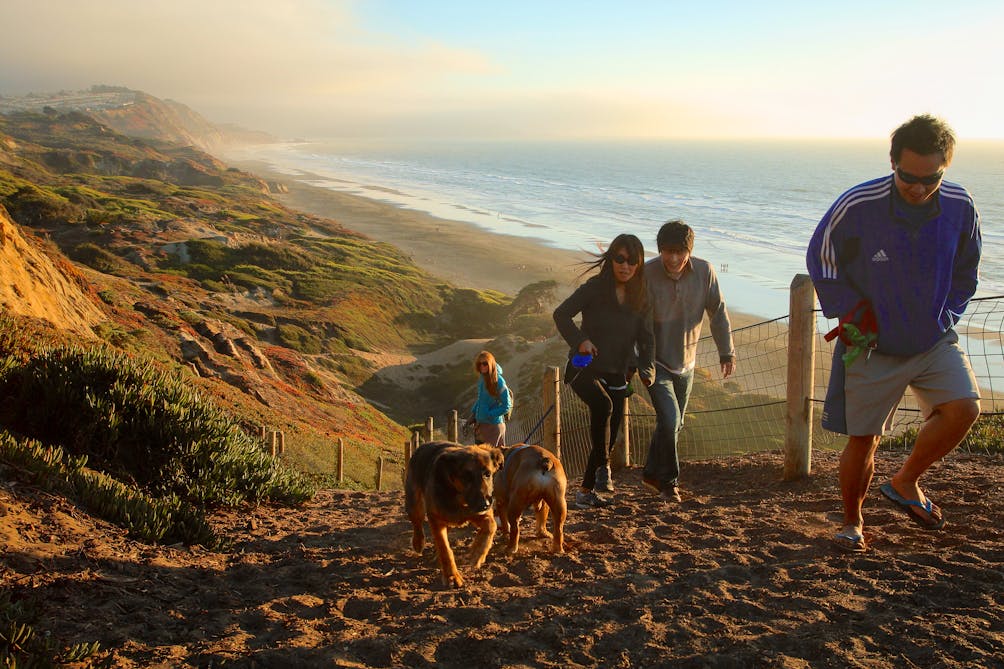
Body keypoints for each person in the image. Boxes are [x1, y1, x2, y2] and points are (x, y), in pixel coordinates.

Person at [807, 114, 982, 553]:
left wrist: (949, 313)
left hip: (932, 338)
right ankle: (852, 523)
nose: (919, 188)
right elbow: (821, 257)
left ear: (945, 168)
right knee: (864, 439)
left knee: (964, 409)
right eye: (909, 177)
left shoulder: (961, 205)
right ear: (892, 162)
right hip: (872, 344)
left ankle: (905, 481)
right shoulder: (859, 203)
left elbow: (967, 270)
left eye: (931, 179)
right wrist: (851, 316)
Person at [553, 234, 655, 509]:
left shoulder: (641, 297)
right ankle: (605, 470)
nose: (625, 265)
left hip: (618, 371)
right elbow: (561, 314)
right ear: (610, 259)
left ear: (639, 264)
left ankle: (586, 492)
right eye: (620, 259)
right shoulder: (594, 288)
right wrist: (580, 341)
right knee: (603, 405)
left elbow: (647, 338)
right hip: (582, 367)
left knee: (609, 432)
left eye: (632, 261)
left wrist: (646, 368)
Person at [643, 220, 735, 503]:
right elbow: (636, 320)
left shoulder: (705, 271)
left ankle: (650, 472)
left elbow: (717, 313)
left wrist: (726, 351)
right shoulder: (647, 273)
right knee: (670, 420)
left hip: (687, 363)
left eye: (678, 253)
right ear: (659, 250)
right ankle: (669, 483)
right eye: (666, 252)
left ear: (689, 251)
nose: (672, 259)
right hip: (655, 362)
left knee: (675, 424)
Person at [469, 350, 512, 448]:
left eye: (485, 363)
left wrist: (489, 414)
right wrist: (473, 413)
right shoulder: (483, 378)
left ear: (491, 364)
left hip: (493, 427)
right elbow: (481, 399)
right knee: (480, 460)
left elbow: (507, 406)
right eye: (479, 364)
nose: (482, 366)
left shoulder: (499, 381)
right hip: (481, 425)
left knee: (491, 461)